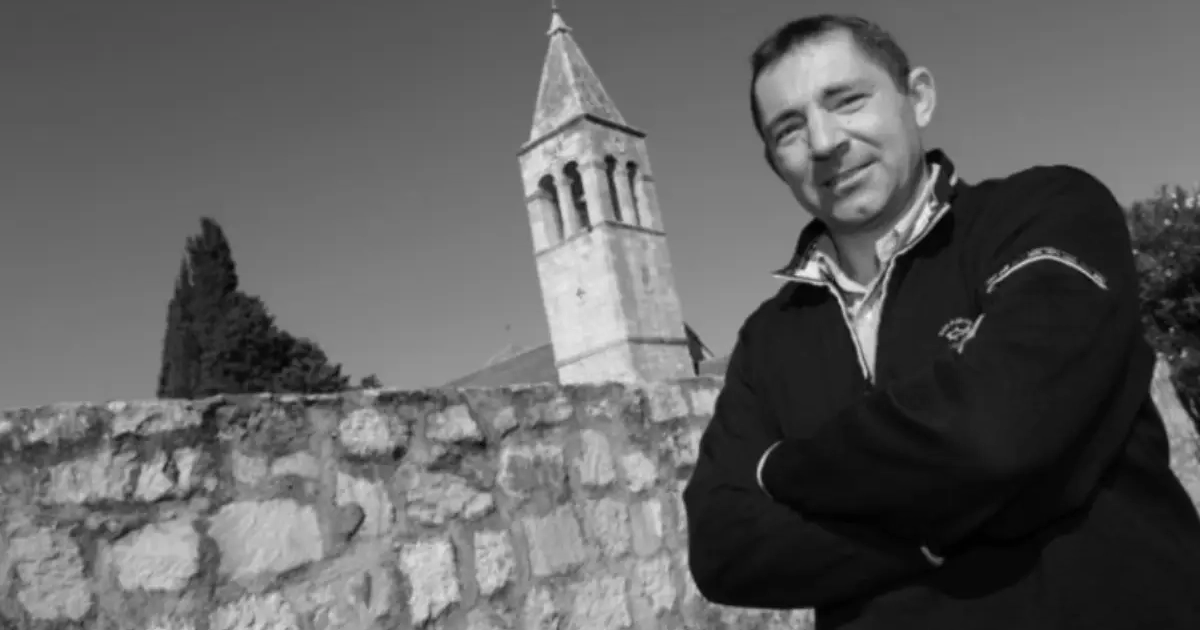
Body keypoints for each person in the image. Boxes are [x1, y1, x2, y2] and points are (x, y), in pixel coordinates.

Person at [682, 13, 1200, 630]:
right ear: (775, 161)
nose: (823, 142)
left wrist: (782, 470)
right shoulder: (768, 337)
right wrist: (928, 537)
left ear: (919, 98)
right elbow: (721, 549)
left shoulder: (1044, 213)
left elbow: (998, 433)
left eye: (847, 100)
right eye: (789, 129)